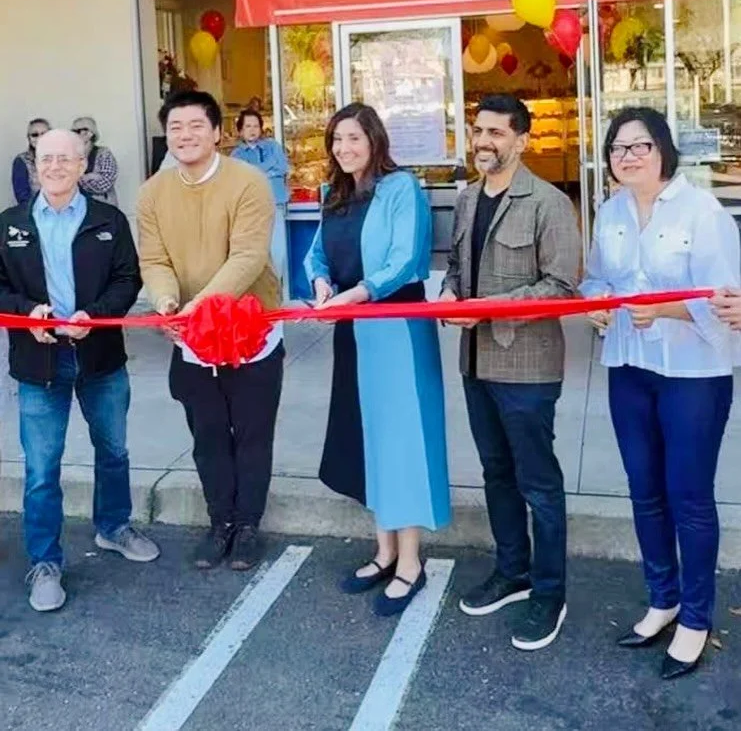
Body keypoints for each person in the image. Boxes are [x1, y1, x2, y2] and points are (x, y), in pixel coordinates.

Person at [581, 107, 739, 680]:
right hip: (630, 365)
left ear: (663, 150)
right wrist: (597, 303)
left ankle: (696, 617)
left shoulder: (703, 211)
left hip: (693, 373)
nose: (627, 157)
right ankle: (662, 599)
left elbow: (725, 300)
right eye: (618, 149)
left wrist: (665, 309)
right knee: (644, 490)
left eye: (639, 146)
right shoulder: (610, 212)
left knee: (688, 496)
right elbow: (597, 278)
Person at [441, 94, 580, 651]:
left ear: (521, 141)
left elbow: (561, 286)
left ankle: (550, 592)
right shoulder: (467, 199)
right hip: (476, 362)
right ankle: (512, 570)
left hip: (527, 368)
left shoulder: (548, 203)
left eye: (497, 133)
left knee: (539, 484)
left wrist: (487, 309)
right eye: (479, 130)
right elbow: (456, 267)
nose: (484, 142)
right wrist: (451, 293)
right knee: (495, 473)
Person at [0, 129, 159, 613]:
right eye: (45, 158)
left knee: (113, 450)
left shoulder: (108, 220)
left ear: (81, 162)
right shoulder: (10, 224)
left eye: (64, 158)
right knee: (42, 470)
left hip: (100, 356)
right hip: (38, 362)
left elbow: (128, 279)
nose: (53, 166)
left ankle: (113, 527)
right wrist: (30, 314)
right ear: (35, 164)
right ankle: (45, 562)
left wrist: (97, 312)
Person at [305, 102, 450, 617]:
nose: (344, 148)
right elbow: (317, 254)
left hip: (395, 326)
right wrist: (322, 283)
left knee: (401, 441)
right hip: (354, 327)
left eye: (353, 138)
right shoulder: (337, 195)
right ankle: (384, 551)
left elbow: (406, 261)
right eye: (336, 140)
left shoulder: (402, 188)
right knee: (368, 438)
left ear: (374, 140)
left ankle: (410, 561)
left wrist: (357, 293)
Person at [136, 90, 283, 572]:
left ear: (218, 132)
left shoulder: (249, 183)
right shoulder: (152, 193)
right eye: (175, 127)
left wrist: (201, 305)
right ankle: (219, 521)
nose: (186, 135)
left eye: (196, 125)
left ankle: (248, 526)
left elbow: (247, 256)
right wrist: (164, 301)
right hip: (192, 337)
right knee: (208, 433)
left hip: (250, 330)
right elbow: (154, 260)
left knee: (252, 432)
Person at [231, 108, 289, 282]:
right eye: (248, 126)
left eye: (256, 126)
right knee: (258, 252)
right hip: (252, 209)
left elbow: (282, 168)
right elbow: (243, 179)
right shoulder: (237, 154)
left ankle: (279, 289)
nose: (252, 129)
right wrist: (268, 171)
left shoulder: (273, 146)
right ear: (240, 130)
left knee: (278, 250)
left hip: (276, 203)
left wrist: (257, 173)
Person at [71, 116, 119, 205]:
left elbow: (104, 185)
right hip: (79, 209)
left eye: (78, 131)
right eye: (72, 131)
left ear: (90, 133)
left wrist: (79, 179)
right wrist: (92, 176)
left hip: (104, 208)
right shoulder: (70, 156)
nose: (74, 135)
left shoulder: (104, 153)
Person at [12, 118, 50, 204]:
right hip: (34, 211)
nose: (40, 138)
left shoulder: (62, 158)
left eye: (44, 134)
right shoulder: (22, 160)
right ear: (29, 138)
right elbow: (23, 197)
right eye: (34, 135)